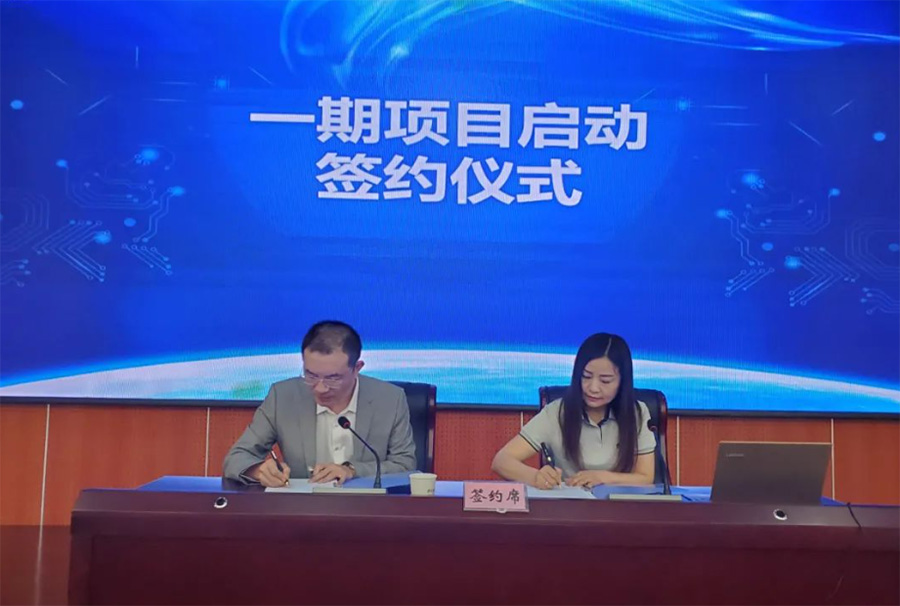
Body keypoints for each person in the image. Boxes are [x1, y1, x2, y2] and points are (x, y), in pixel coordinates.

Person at [223, 321, 417, 487]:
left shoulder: (390, 399)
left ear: (357, 368)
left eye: (333, 378)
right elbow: (236, 458)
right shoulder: (282, 397)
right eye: (311, 375)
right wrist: (259, 471)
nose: (320, 388)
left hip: (366, 509)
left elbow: (405, 465)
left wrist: (351, 470)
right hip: (303, 510)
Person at [492, 333, 656, 489]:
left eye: (605, 381)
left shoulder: (637, 413)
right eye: (586, 376)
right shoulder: (557, 412)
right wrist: (536, 477)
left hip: (620, 506)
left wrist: (602, 478)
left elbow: (645, 477)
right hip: (569, 504)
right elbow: (502, 461)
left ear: (622, 382)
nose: (593, 388)